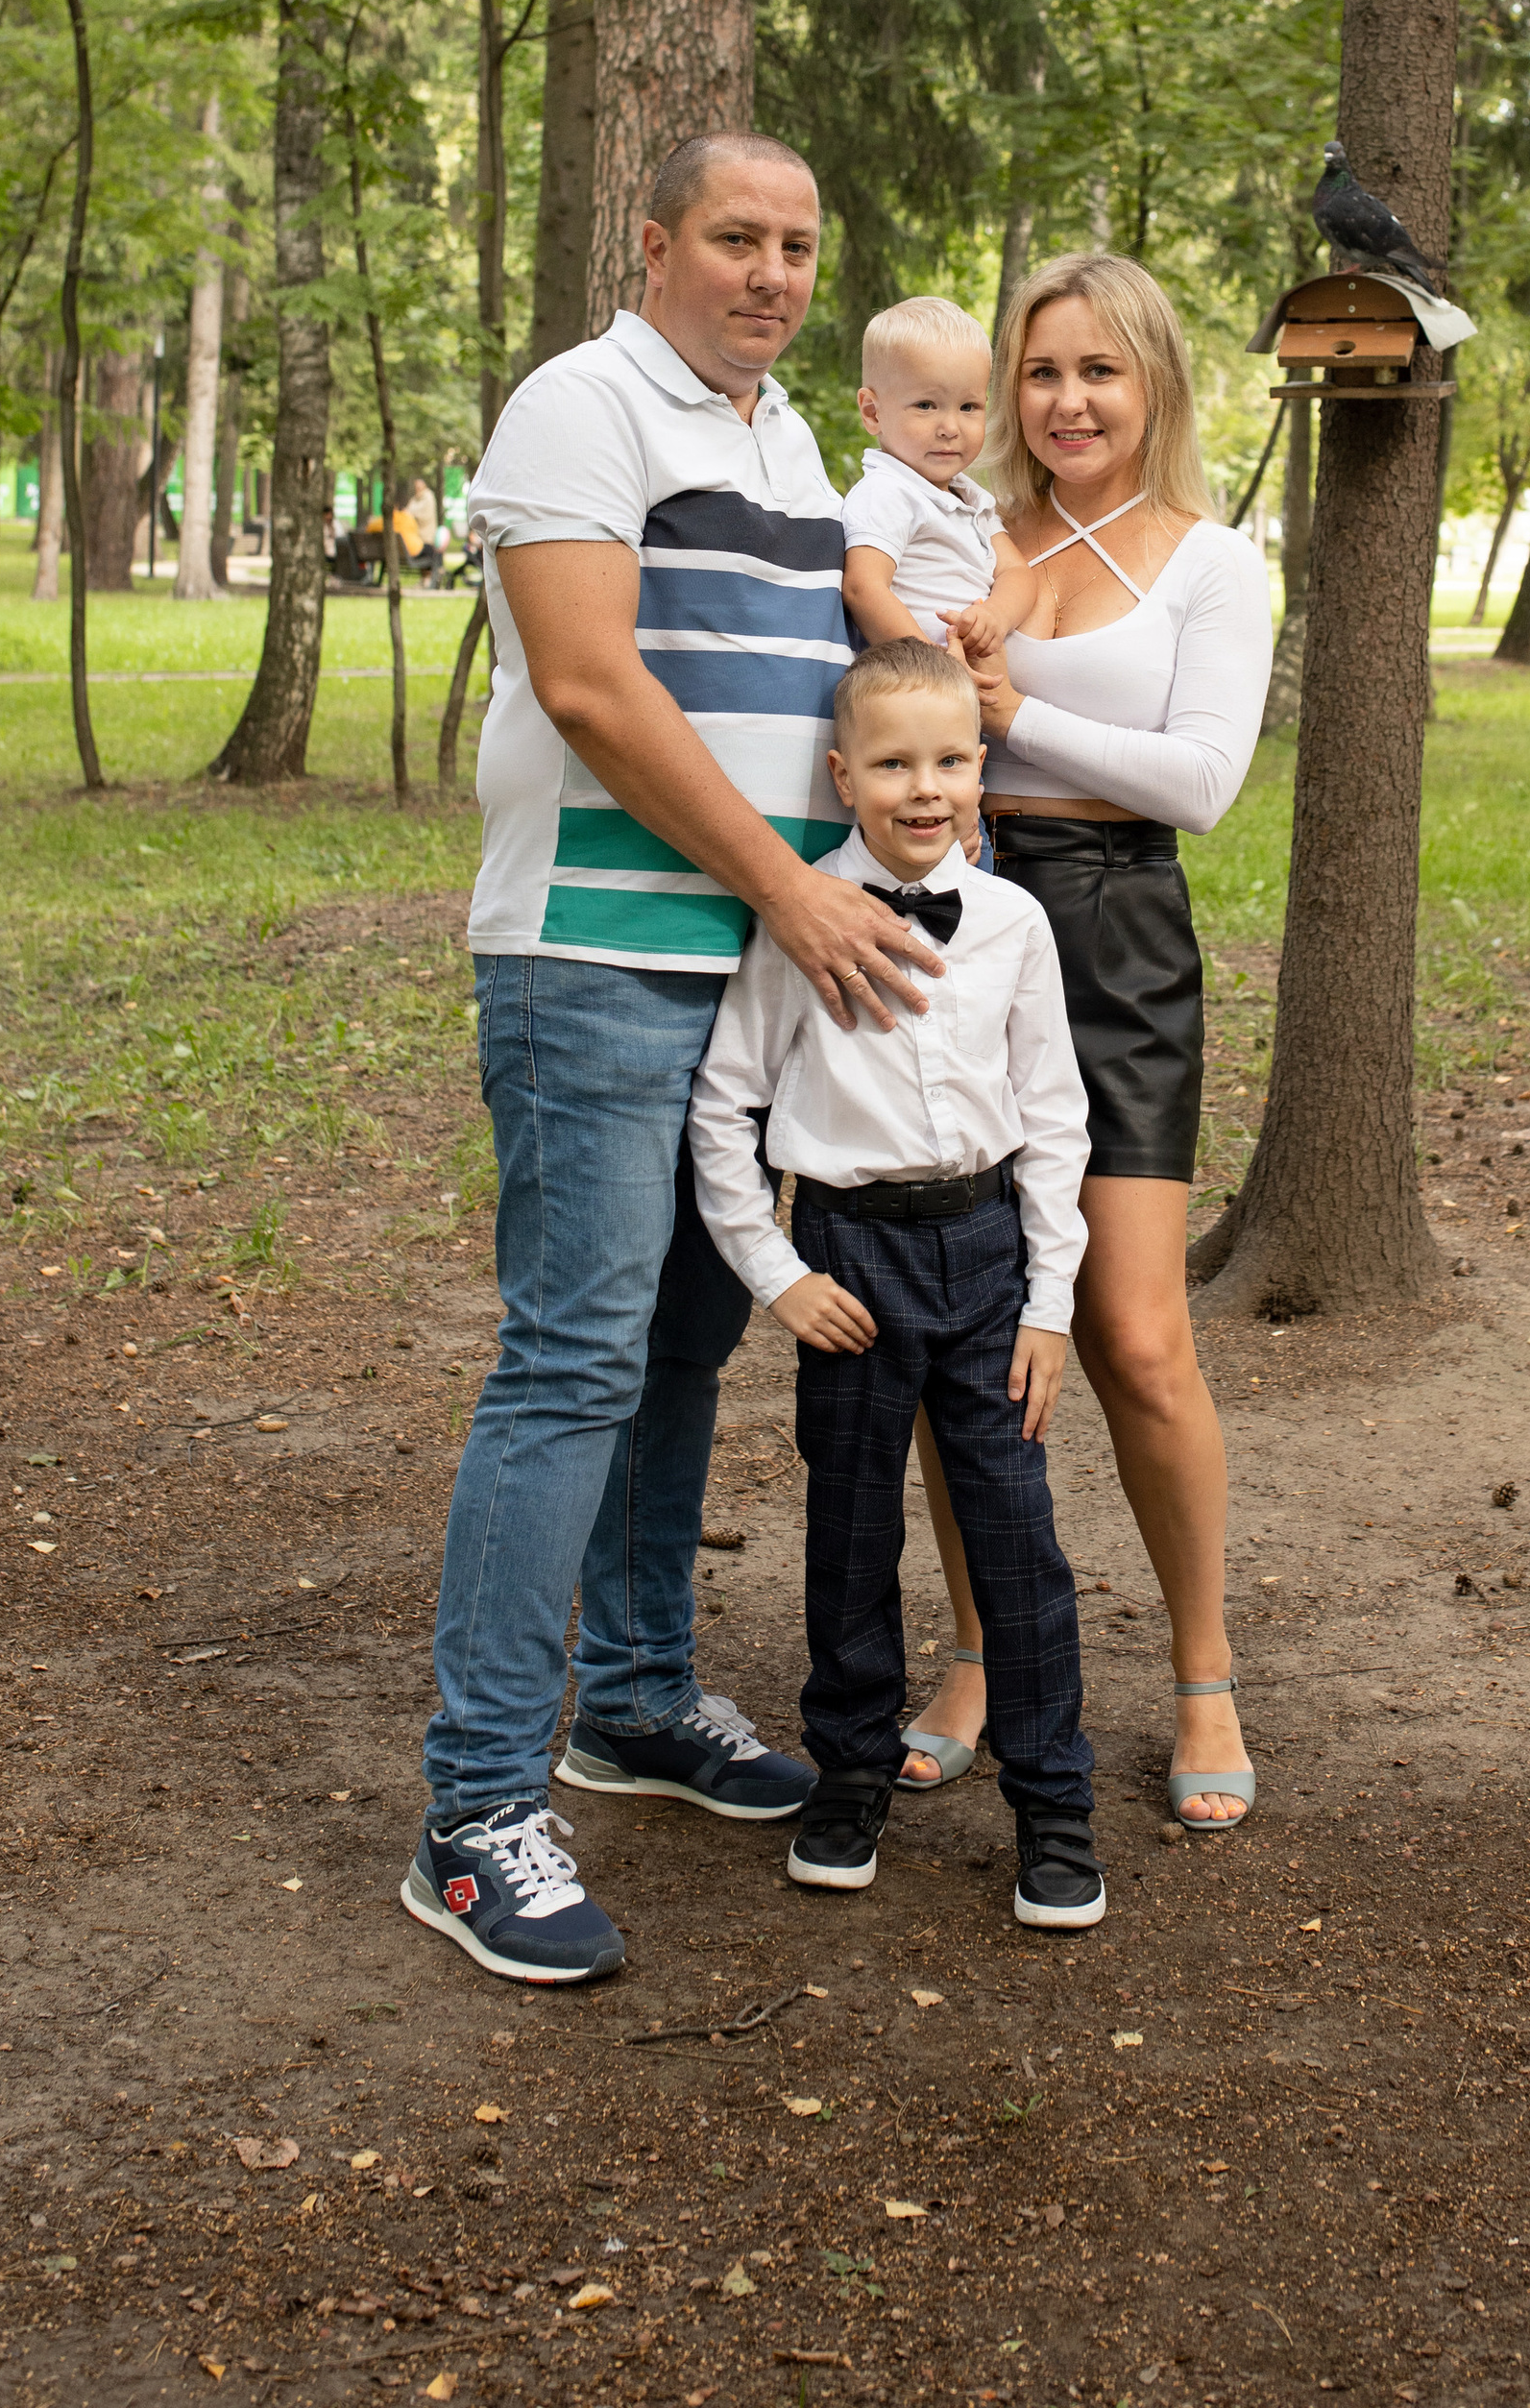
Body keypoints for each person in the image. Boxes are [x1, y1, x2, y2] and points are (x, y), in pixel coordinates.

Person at [400, 134, 948, 1988]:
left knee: (686, 1350)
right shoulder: (581, 407)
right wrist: (790, 889)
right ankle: (474, 1812)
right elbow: (589, 686)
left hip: (753, 983)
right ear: (656, 245)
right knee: (573, 1358)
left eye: (798, 244)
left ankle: (635, 1701)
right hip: (597, 961)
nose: (772, 273)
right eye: (736, 238)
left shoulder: (791, 444)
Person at [901, 250, 1272, 1832]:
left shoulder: (1214, 560)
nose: (1067, 402)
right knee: (956, 1327)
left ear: (1154, 384)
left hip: (1117, 934)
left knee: (1132, 1334)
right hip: (958, 920)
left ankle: (1203, 1673)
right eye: (1042, 372)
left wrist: (1012, 718)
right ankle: (977, 1656)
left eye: (1099, 371)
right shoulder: (966, 534)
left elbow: (1200, 781)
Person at [690, 637, 1104, 1929]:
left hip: (986, 1259)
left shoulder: (1015, 925)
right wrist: (776, 1274)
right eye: (892, 765)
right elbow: (724, 1104)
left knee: (1017, 1538)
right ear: (843, 775)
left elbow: (1055, 1117)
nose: (924, 789)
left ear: (981, 769)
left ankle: (1053, 1804)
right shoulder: (801, 914)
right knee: (852, 1531)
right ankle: (851, 1773)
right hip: (848, 1263)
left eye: (949, 762)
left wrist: (1049, 1304)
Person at [838, 297, 1054, 655]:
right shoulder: (887, 491)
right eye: (926, 405)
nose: (951, 428)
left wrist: (995, 616)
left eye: (969, 407)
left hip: (964, 672)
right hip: (912, 675)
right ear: (873, 412)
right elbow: (863, 588)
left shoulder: (971, 499)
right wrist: (934, 667)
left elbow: (1017, 573)